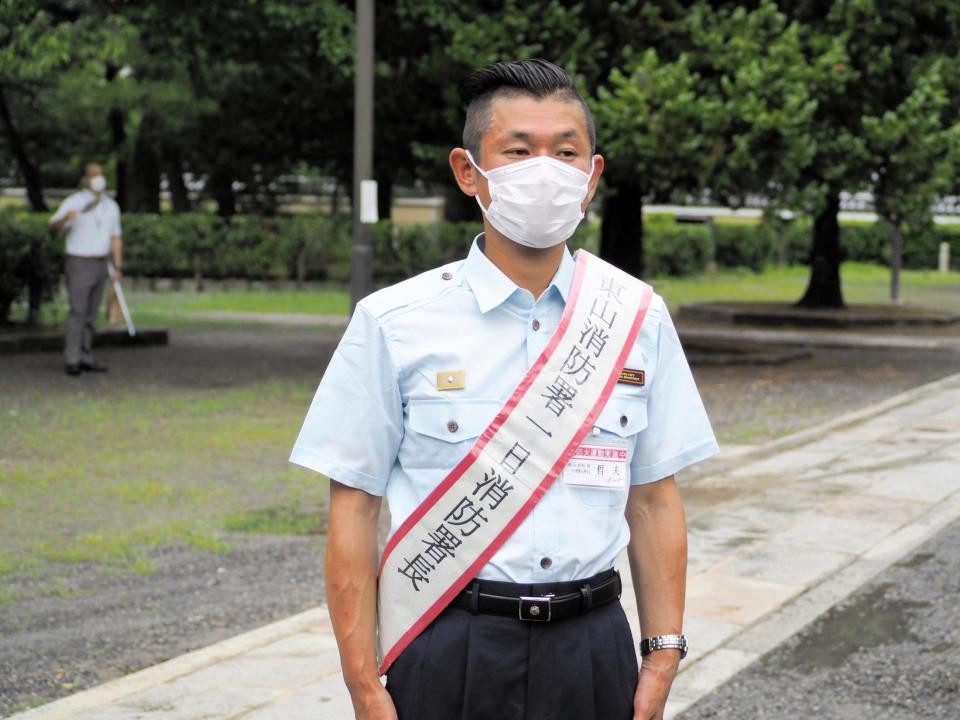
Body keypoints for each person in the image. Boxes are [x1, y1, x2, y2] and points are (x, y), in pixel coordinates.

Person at [291, 59, 718, 720]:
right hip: (447, 643)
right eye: (518, 151)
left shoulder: (636, 316)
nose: (544, 169)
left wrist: (661, 655)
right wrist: (364, 685)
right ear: (469, 171)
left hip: (593, 646)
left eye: (565, 152)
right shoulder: (395, 323)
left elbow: (655, 497)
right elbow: (353, 506)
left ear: (591, 176)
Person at [48, 163, 123, 376]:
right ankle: (72, 358)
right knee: (78, 311)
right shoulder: (74, 202)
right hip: (79, 262)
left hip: (101, 263)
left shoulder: (111, 206)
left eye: (102, 175)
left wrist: (118, 266)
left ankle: (85, 356)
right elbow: (52, 228)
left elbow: (115, 236)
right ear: (84, 179)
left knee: (91, 314)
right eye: (94, 175)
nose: (99, 179)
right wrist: (66, 218)